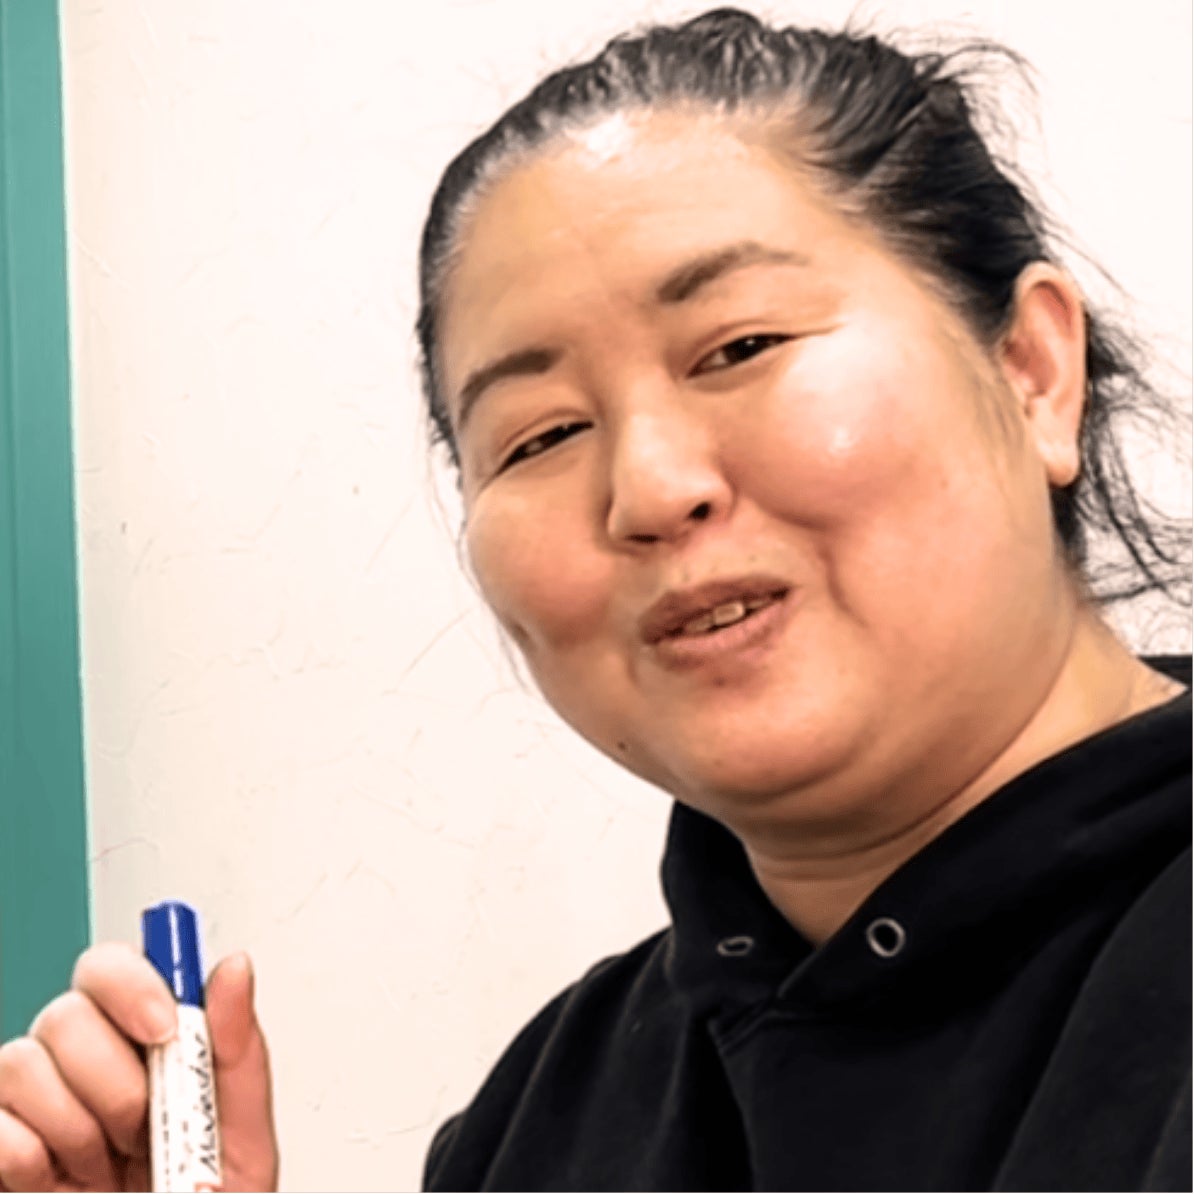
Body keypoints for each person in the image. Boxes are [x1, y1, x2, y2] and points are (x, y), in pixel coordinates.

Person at [0, 7, 1189, 1191]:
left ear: (1033, 370)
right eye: (541, 436)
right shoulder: (541, 1121)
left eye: (739, 347)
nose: (651, 489)